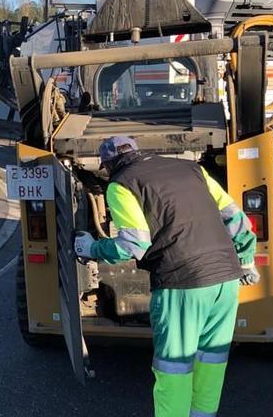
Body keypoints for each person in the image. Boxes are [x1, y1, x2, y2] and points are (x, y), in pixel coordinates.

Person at [74, 136, 259, 417]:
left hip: (183, 284)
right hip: (226, 280)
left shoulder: (121, 184)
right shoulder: (191, 169)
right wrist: (246, 260)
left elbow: (133, 245)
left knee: (174, 366)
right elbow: (235, 218)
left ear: (109, 165)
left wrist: (91, 248)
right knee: (211, 359)